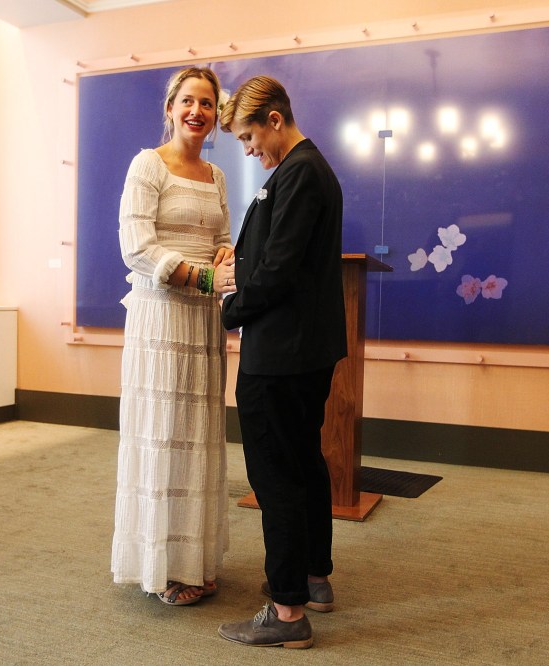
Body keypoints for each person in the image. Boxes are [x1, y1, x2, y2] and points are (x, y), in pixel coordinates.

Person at [213, 75, 347, 648]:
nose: (249, 151)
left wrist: (229, 305)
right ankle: (314, 578)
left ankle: (288, 614)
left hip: (282, 355)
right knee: (305, 463)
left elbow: (279, 269)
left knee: (277, 477)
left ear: (274, 119)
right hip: (303, 350)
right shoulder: (302, 172)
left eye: (249, 137)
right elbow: (271, 254)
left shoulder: (300, 173)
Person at [111, 66, 233, 607]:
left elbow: (224, 238)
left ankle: (195, 560)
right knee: (162, 434)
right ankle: (162, 564)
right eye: (188, 101)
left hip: (204, 325)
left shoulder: (217, 174)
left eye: (207, 104)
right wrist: (204, 275)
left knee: (199, 436)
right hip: (161, 321)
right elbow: (136, 246)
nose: (197, 112)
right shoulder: (147, 165)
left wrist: (227, 255)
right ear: (170, 107)